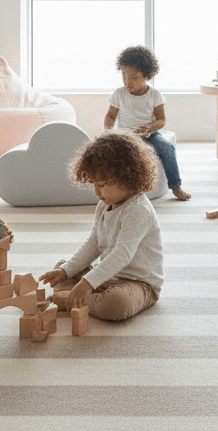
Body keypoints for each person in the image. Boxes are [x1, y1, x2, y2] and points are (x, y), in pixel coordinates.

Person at [39, 131, 165, 321]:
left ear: (127, 178)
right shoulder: (104, 204)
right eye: (94, 184)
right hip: (108, 277)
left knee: (116, 304)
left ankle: (71, 299)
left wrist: (87, 284)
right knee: (62, 266)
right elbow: (93, 243)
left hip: (139, 284)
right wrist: (66, 271)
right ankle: (77, 296)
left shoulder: (138, 210)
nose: (96, 192)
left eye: (102, 184)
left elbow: (122, 254)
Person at [105, 45, 190, 201]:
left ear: (147, 76)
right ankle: (118, 190)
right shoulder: (119, 94)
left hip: (149, 135)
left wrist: (149, 127)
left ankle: (176, 186)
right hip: (125, 136)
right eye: (124, 76)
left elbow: (161, 120)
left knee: (166, 148)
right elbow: (110, 116)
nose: (127, 81)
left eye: (134, 77)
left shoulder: (155, 95)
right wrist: (109, 131)